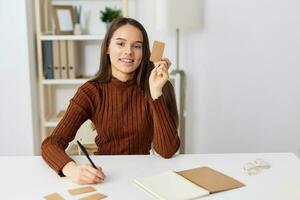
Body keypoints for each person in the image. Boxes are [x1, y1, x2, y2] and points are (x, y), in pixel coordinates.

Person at [41, 17, 180, 185]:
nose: (128, 51)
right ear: (107, 47)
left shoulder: (156, 85)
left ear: (144, 53)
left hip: (145, 175)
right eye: (120, 44)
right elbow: (51, 144)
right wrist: (72, 170)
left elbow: (167, 150)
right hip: (105, 176)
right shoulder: (91, 91)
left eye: (137, 46)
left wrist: (156, 91)